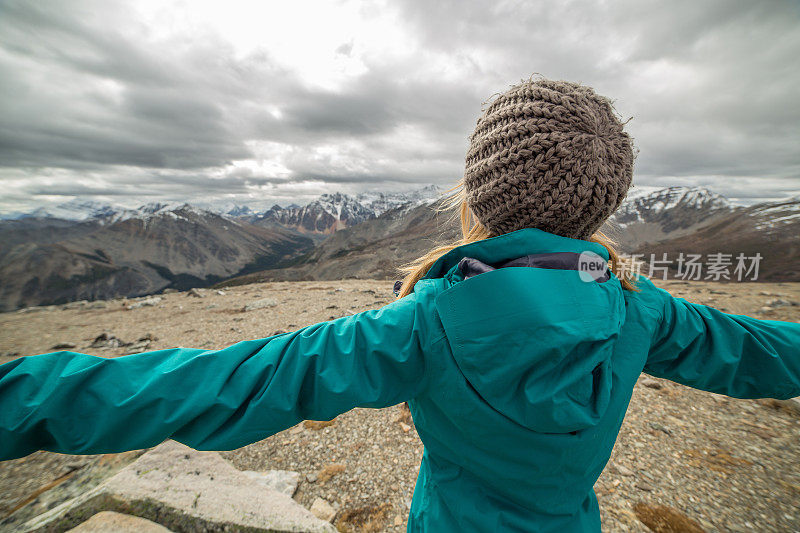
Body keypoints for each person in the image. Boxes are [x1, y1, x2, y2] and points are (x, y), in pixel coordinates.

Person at [1, 77, 799, 533]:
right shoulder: (644, 311)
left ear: (479, 190)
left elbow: (222, 383)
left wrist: (22, 399)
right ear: (598, 206)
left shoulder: (420, 323)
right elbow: (762, 353)